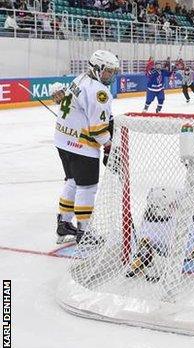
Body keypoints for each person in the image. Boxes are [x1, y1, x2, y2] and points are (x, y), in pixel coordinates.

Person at [52, 50, 120, 244]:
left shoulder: (80, 78)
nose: (111, 75)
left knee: (72, 181)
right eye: (108, 71)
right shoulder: (99, 92)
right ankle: (84, 231)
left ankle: (63, 224)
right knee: (87, 187)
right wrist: (109, 146)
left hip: (62, 140)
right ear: (97, 68)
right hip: (81, 146)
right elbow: (98, 131)